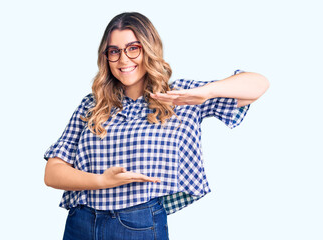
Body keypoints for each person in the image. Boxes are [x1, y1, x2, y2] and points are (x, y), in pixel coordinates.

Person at [44, 12, 269, 240]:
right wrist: (102, 181)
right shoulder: (93, 104)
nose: (123, 60)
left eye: (133, 48)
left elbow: (259, 84)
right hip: (80, 223)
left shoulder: (180, 96)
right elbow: (52, 173)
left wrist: (206, 92)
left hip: (137, 223)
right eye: (114, 51)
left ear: (149, 48)